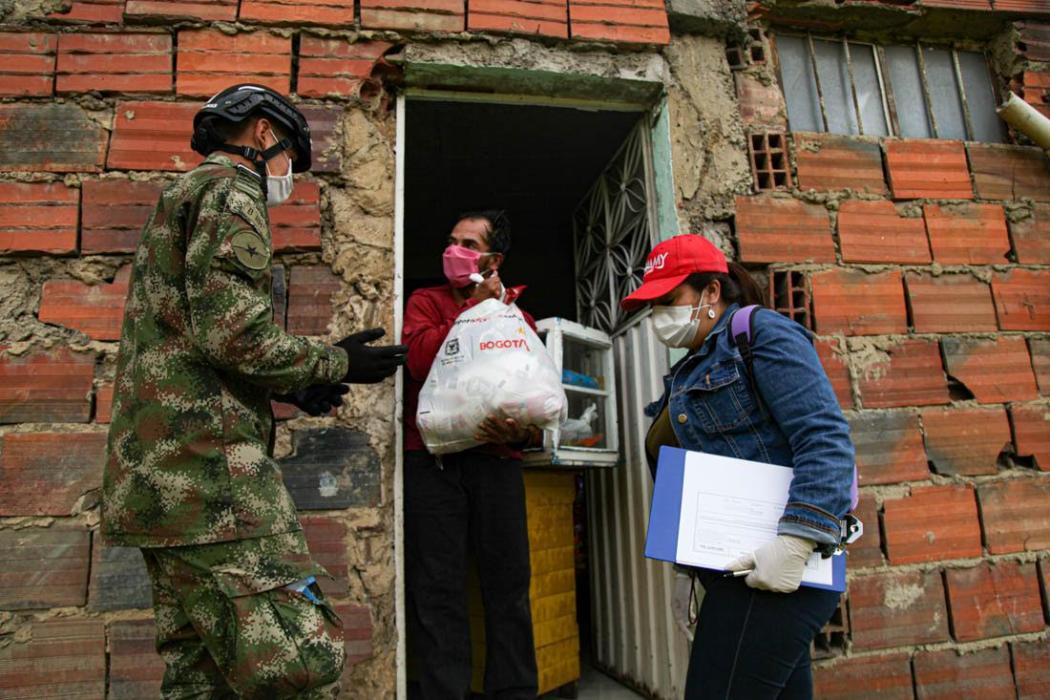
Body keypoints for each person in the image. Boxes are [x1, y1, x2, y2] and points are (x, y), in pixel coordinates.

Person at [102, 83, 407, 699]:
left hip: (160, 483)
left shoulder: (183, 194)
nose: (290, 174)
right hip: (215, 486)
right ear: (265, 134)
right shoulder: (232, 189)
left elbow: (186, 343)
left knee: (203, 678)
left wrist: (290, 387)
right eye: (293, 155)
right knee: (298, 663)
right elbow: (234, 336)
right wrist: (333, 364)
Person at [620, 234, 855, 699]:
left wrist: (797, 539)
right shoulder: (687, 370)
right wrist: (686, 567)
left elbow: (825, 437)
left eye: (669, 300)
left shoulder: (761, 333)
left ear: (711, 292)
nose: (658, 316)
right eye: (652, 306)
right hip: (735, 572)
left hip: (776, 568)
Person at [402, 210, 542, 700]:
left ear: (493, 258)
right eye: (451, 240)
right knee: (437, 589)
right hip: (433, 464)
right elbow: (418, 361)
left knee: (508, 589)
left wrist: (521, 430)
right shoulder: (425, 302)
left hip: (496, 462)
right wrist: (470, 313)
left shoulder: (516, 318)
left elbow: (531, 391)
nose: (454, 250)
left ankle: (515, 692)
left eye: (467, 243)